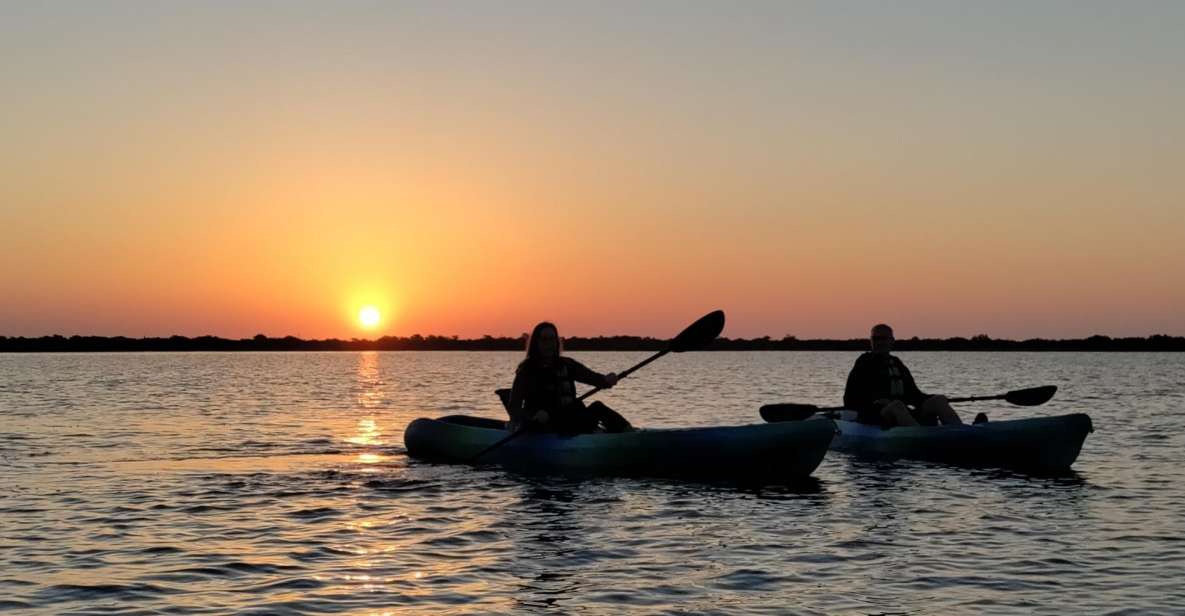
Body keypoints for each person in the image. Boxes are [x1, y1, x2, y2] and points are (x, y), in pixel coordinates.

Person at [506, 321, 633, 434]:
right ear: (536, 343)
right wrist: (531, 417)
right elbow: (514, 407)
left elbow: (593, 378)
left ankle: (629, 433)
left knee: (597, 407)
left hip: (571, 419)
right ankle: (594, 433)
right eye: (544, 339)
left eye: (552, 339)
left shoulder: (567, 364)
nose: (549, 344)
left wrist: (606, 380)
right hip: (546, 426)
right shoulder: (526, 370)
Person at [843, 323, 971, 427]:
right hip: (873, 416)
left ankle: (962, 434)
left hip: (901, 412)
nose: (879, 342)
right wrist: (877, 403)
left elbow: (914, 395)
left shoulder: (896, 363)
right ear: (870, 341)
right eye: (876, 339)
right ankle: (922, 440)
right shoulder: (863, 363)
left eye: (884, 338)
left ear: (892, 341)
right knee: (896, 405)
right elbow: (850, 399)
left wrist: (932, 398)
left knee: (938, 400)